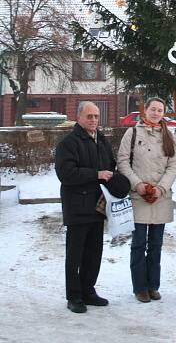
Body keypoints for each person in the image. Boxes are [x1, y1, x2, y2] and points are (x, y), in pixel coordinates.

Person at [117, 97, 176, 303]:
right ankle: (140, 287)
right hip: (139, 196)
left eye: (160, 110)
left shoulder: (169, 135)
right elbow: (123, 162)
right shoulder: (132, 133)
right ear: (146, 111)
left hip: (160, 198)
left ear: (163, 113)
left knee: (156, 244)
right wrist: (138, 185)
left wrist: (160, 189)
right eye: (153, 109)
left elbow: (173, 165)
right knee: (138, 243)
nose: (156, 113)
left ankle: (153, 285)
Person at [55, 101, 115, 314]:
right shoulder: (68, 143)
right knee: (75, 255)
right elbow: (66, 174)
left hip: (98, 206)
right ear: (78, 117)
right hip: (77, 207)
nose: (93, 120)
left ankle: (88, 291)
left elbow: (111, 165)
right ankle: (74, 296)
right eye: (89, 116)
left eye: (96, 116)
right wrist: (96, 174)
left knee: (94, 253)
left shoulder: (102, 141)